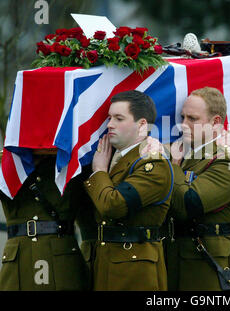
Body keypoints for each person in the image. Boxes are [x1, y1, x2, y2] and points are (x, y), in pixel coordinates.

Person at [83, 90, 173, 291]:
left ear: (142, 124)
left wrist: (98, 171)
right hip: (105, 262)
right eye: (109, 118)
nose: (109, 124)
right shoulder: (116, 158)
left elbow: (113, 205)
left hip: (135, 268)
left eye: (118, 118)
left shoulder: (153, 163)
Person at [165, 86, 230, 291]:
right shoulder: (187, 154)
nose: (183, 125)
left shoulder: (229, 161)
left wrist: (175, 167)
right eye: (182, 117)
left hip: (210, 260)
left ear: (215, 122)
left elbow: (189, 203)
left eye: (192, 119)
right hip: (178, 255)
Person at [0, 152, 91, 290]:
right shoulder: (10, 156)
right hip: (19, 257)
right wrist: (22, 164)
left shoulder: (73, 155)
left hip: (62, 257)